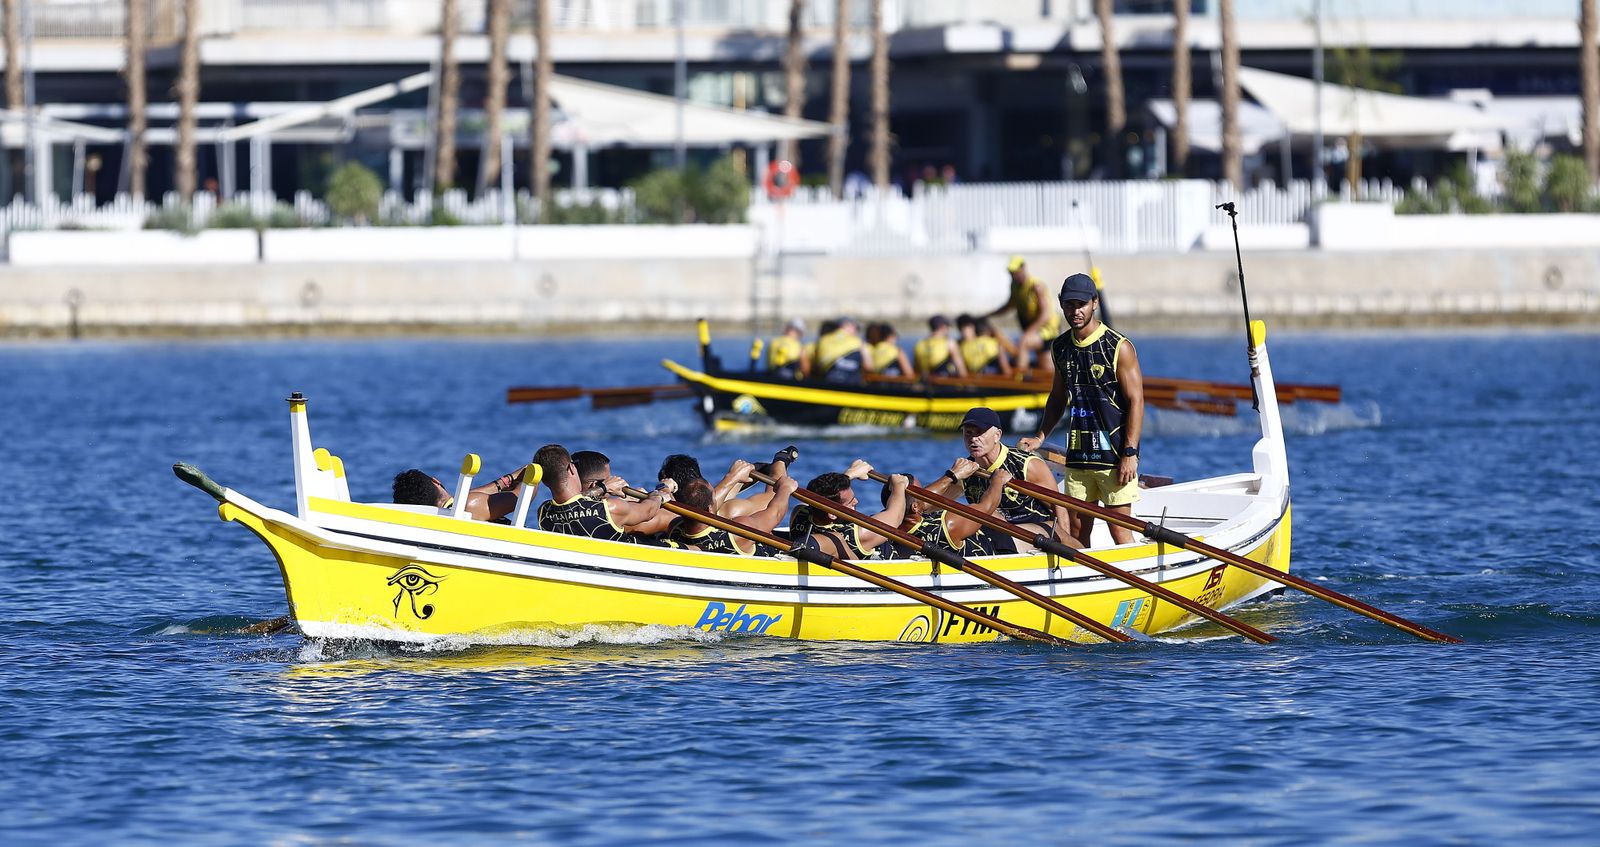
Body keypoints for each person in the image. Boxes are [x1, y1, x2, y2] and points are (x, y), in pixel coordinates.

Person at [1018, 272, 1145, 547]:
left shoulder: (1118, 347)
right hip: (1079, 455)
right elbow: (1058, 396)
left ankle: (1139, 581)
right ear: (1061, 304)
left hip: (1114, 456)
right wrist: (1040, 436)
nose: (1075, 311)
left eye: (1081, 304)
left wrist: (1130, 452)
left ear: (1094, 303)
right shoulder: (1061, 347)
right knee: (1076, 533)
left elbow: (1136, 401)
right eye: (1069, 305)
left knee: (1120, 532)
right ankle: (1087, 582)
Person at [924, 407, 1072, 553]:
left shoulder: (1026, 465)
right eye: (968, 433)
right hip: (998, 534)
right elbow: (928, 506)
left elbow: (1058, 506)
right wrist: (950, 476)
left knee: (990, 516)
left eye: (980, 433)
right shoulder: (967, 470)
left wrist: (1067, 552)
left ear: (997, 435)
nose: (974, 439)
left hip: (1037, 532)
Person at [533, 444, 675, 542]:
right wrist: (660, 493)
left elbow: (572, 505)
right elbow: (649, 510)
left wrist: (602, 489)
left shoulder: (543, 512)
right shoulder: (610, 509)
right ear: (571, 469)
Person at [878, 461, 1012, 560]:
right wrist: (998, 481)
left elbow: (919, 501)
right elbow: (988, 506)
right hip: (997, 555)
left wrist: (951, 476)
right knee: (996, 517)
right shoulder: (948, 523)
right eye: (921, 490)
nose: (926, 492)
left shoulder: (882, 527)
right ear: (915, 507)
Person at [789, 460, 910, 560]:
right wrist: (898, 485)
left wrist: (850, 474)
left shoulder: (799, 513)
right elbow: (896, 516)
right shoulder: (858, 534)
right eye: (850, 501)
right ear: (832, 514)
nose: (856, 501)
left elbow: (815, 497)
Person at [667, 475, 800, 556]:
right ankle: (781, 460)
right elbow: (775, 514)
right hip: (779, 559)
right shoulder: (736, 532)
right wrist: (785, 489)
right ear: (710, 509)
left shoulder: (675, 528)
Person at [984, 255, 1062, 374]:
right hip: (1035, 331)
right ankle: (1040, 386)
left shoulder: (1036, 286)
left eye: (1015, 272)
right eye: (1011, 272)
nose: (1013, 275)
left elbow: (1045, 315)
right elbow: (1009, 306)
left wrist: (1028, 333)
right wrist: (989, 314)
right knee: (1047, 368)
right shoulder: (1015, 286)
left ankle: (1020, 378)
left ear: (1023, 268)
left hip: (1048, 330)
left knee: (1023, 343)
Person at [392, 464, 529, 522]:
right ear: (436, 481)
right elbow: (522, 497)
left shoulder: (446, 515)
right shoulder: (469, 506)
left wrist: (508, 479)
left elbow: (466, 498)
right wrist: (530, 477)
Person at [811, 317, 865, 384]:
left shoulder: (823, 340)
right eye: (856, 328)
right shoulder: (858, 342)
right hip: (852, 387)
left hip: (828, 385)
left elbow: (816, 366)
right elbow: (868, 367)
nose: (856, 332)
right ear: (847, 325)